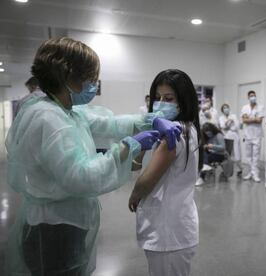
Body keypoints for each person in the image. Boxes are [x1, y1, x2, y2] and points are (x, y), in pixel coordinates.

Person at [5, 37, 181, 276]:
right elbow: (81, 177)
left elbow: (108, 124)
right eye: (90, 77)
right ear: (69, 77)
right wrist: (128, 148)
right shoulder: (49, 119)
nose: (94, 84)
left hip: (62, 223)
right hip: (54, 228)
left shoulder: (64, 110)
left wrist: (149, 120)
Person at [128, 69, 202, 276]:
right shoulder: (187, 128)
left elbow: (147, 180)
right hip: (175, 225)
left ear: (183, 101)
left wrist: (135, 194)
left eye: (168, 98)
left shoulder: (174, 133)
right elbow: (136, 165)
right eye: (157, 98)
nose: (161, 103)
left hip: (168, 232)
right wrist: (142, 142)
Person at [241, 90, 264, 182]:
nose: (253, 97)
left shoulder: (260, 107)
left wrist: (249, 119)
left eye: (254, 95)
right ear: (248, 97)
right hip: (247, 135)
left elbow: (259, 121)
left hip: (257, 135)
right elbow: (244, 120)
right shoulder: (244, 107)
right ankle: (250, 172)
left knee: (256, 156)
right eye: (251, 96)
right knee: (248, 156)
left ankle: (255, 174)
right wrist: (254, 118)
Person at [218, 103, 243, 177]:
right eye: (224, 108)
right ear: (222, 110)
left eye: (227, 107)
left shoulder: (234, 116)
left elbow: (236, 126)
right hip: (226, 137)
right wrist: (229, 122)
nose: (226, 109)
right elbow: (223, 126)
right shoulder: (221, 118)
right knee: (228, 154)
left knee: (237, 153)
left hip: (235, 136)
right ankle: (226, 169)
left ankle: (240, 168)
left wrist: (227, 125)